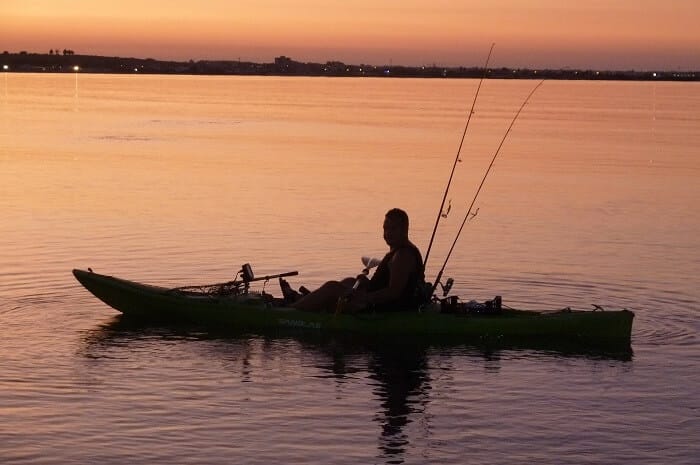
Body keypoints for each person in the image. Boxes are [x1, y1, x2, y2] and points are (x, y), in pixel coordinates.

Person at [279, 208, 425, 312]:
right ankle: (300, 299)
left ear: (404, 229)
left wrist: (363, 297)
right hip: (376, 301)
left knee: (332, 287)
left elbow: (394, 293)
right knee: (349, 281)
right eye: (385, 228)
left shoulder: (403, 256)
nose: (387, 233)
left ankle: (290, 311)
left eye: (393, 229)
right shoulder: (398, 250)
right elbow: (383, 285)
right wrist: (365, 284)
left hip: (382, 308)